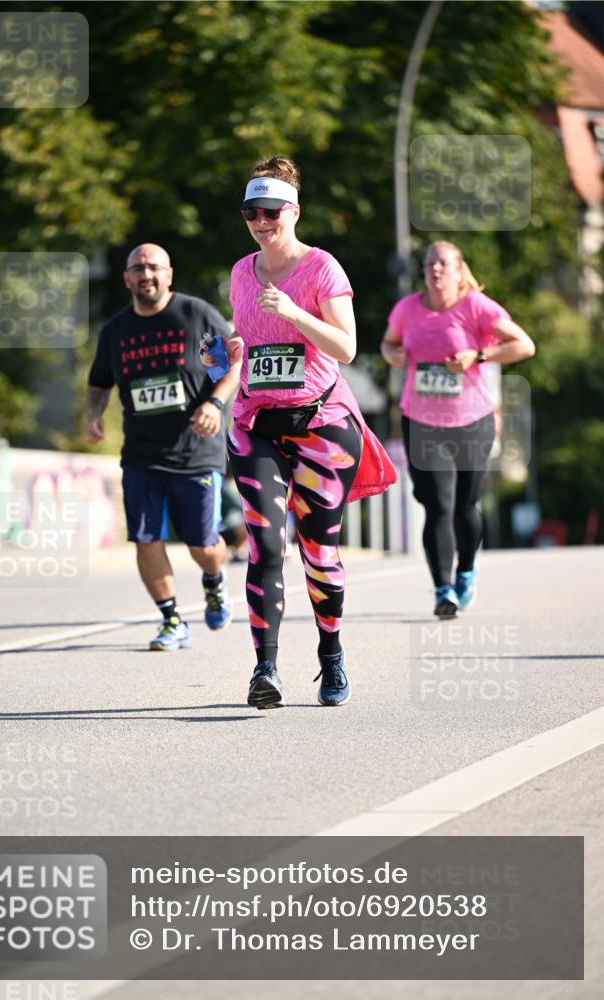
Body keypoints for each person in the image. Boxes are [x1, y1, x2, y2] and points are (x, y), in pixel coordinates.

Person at [203, 156, 397, 709]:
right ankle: (265, 669)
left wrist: (293, 312)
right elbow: (248, 344)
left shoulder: (322, 269)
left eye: (269, 212)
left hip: (321, 423)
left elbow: (346, 347)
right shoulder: (242, 272)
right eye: (250, 213)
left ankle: (331, 657)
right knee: (266, 545)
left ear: (293, 211)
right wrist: (223, 353)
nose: (260, 222)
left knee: (318, 551)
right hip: (257, 424)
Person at [87, 243, 242, 650]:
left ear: (169, 274)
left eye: (153, 267)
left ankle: (214, 580)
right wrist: (93, 414)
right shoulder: (115, 331)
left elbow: (231, 367)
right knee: (145, 539)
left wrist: (214, 402)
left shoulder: (195, 316)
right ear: (127, 279)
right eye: (137, 268)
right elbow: (100, 382)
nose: (146, 274)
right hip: (141, 454)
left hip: (195, 451)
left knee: (203, 545)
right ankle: (172, 619)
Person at [381, 240, 535, 618]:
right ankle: (442, 589)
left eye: (443, 263)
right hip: (421, 421)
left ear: (458, 269)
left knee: (465, 505)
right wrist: (394, 355)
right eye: (430, 262)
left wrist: (478, 355)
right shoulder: (408, 309)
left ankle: (466, 569)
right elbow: (388, 343)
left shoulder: (477, 308)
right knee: (437, 506)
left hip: (471, 420)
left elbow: (524, 345)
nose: (435, 269)